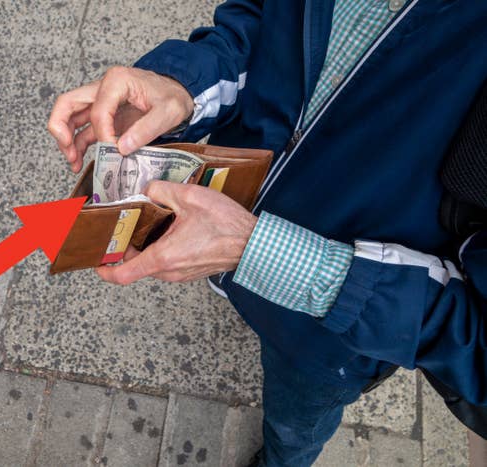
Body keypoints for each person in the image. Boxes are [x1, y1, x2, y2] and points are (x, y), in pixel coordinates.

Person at [47, 1, 487, 465]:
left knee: (294, 426)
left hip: (327, 337)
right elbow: (262, 20)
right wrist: (183, 85)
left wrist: (261, 251)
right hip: (235, 209)